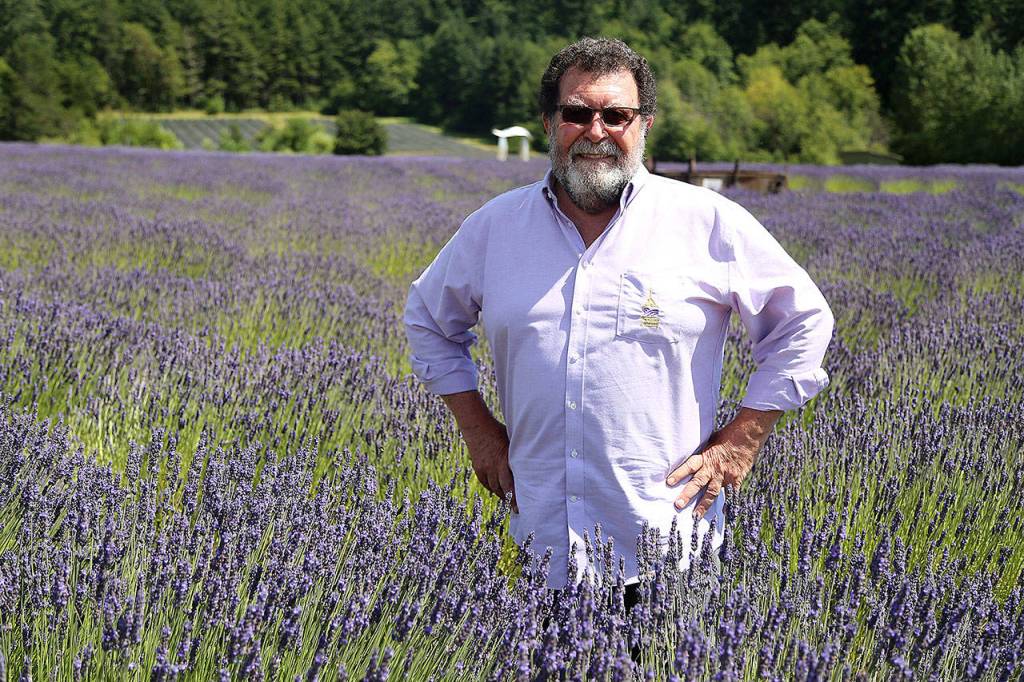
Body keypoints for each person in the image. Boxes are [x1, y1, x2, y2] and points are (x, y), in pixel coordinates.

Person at [403, 38, 834, 594]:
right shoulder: (495, 228)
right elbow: (428, 322)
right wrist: (477, 431)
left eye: (617, 115)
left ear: (645, 124)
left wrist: (742, 441)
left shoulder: (704, 221)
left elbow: (803, 321)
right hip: (543, 553)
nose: (596, 130)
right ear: (549, 122)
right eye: (577, 113)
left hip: (667, 549)